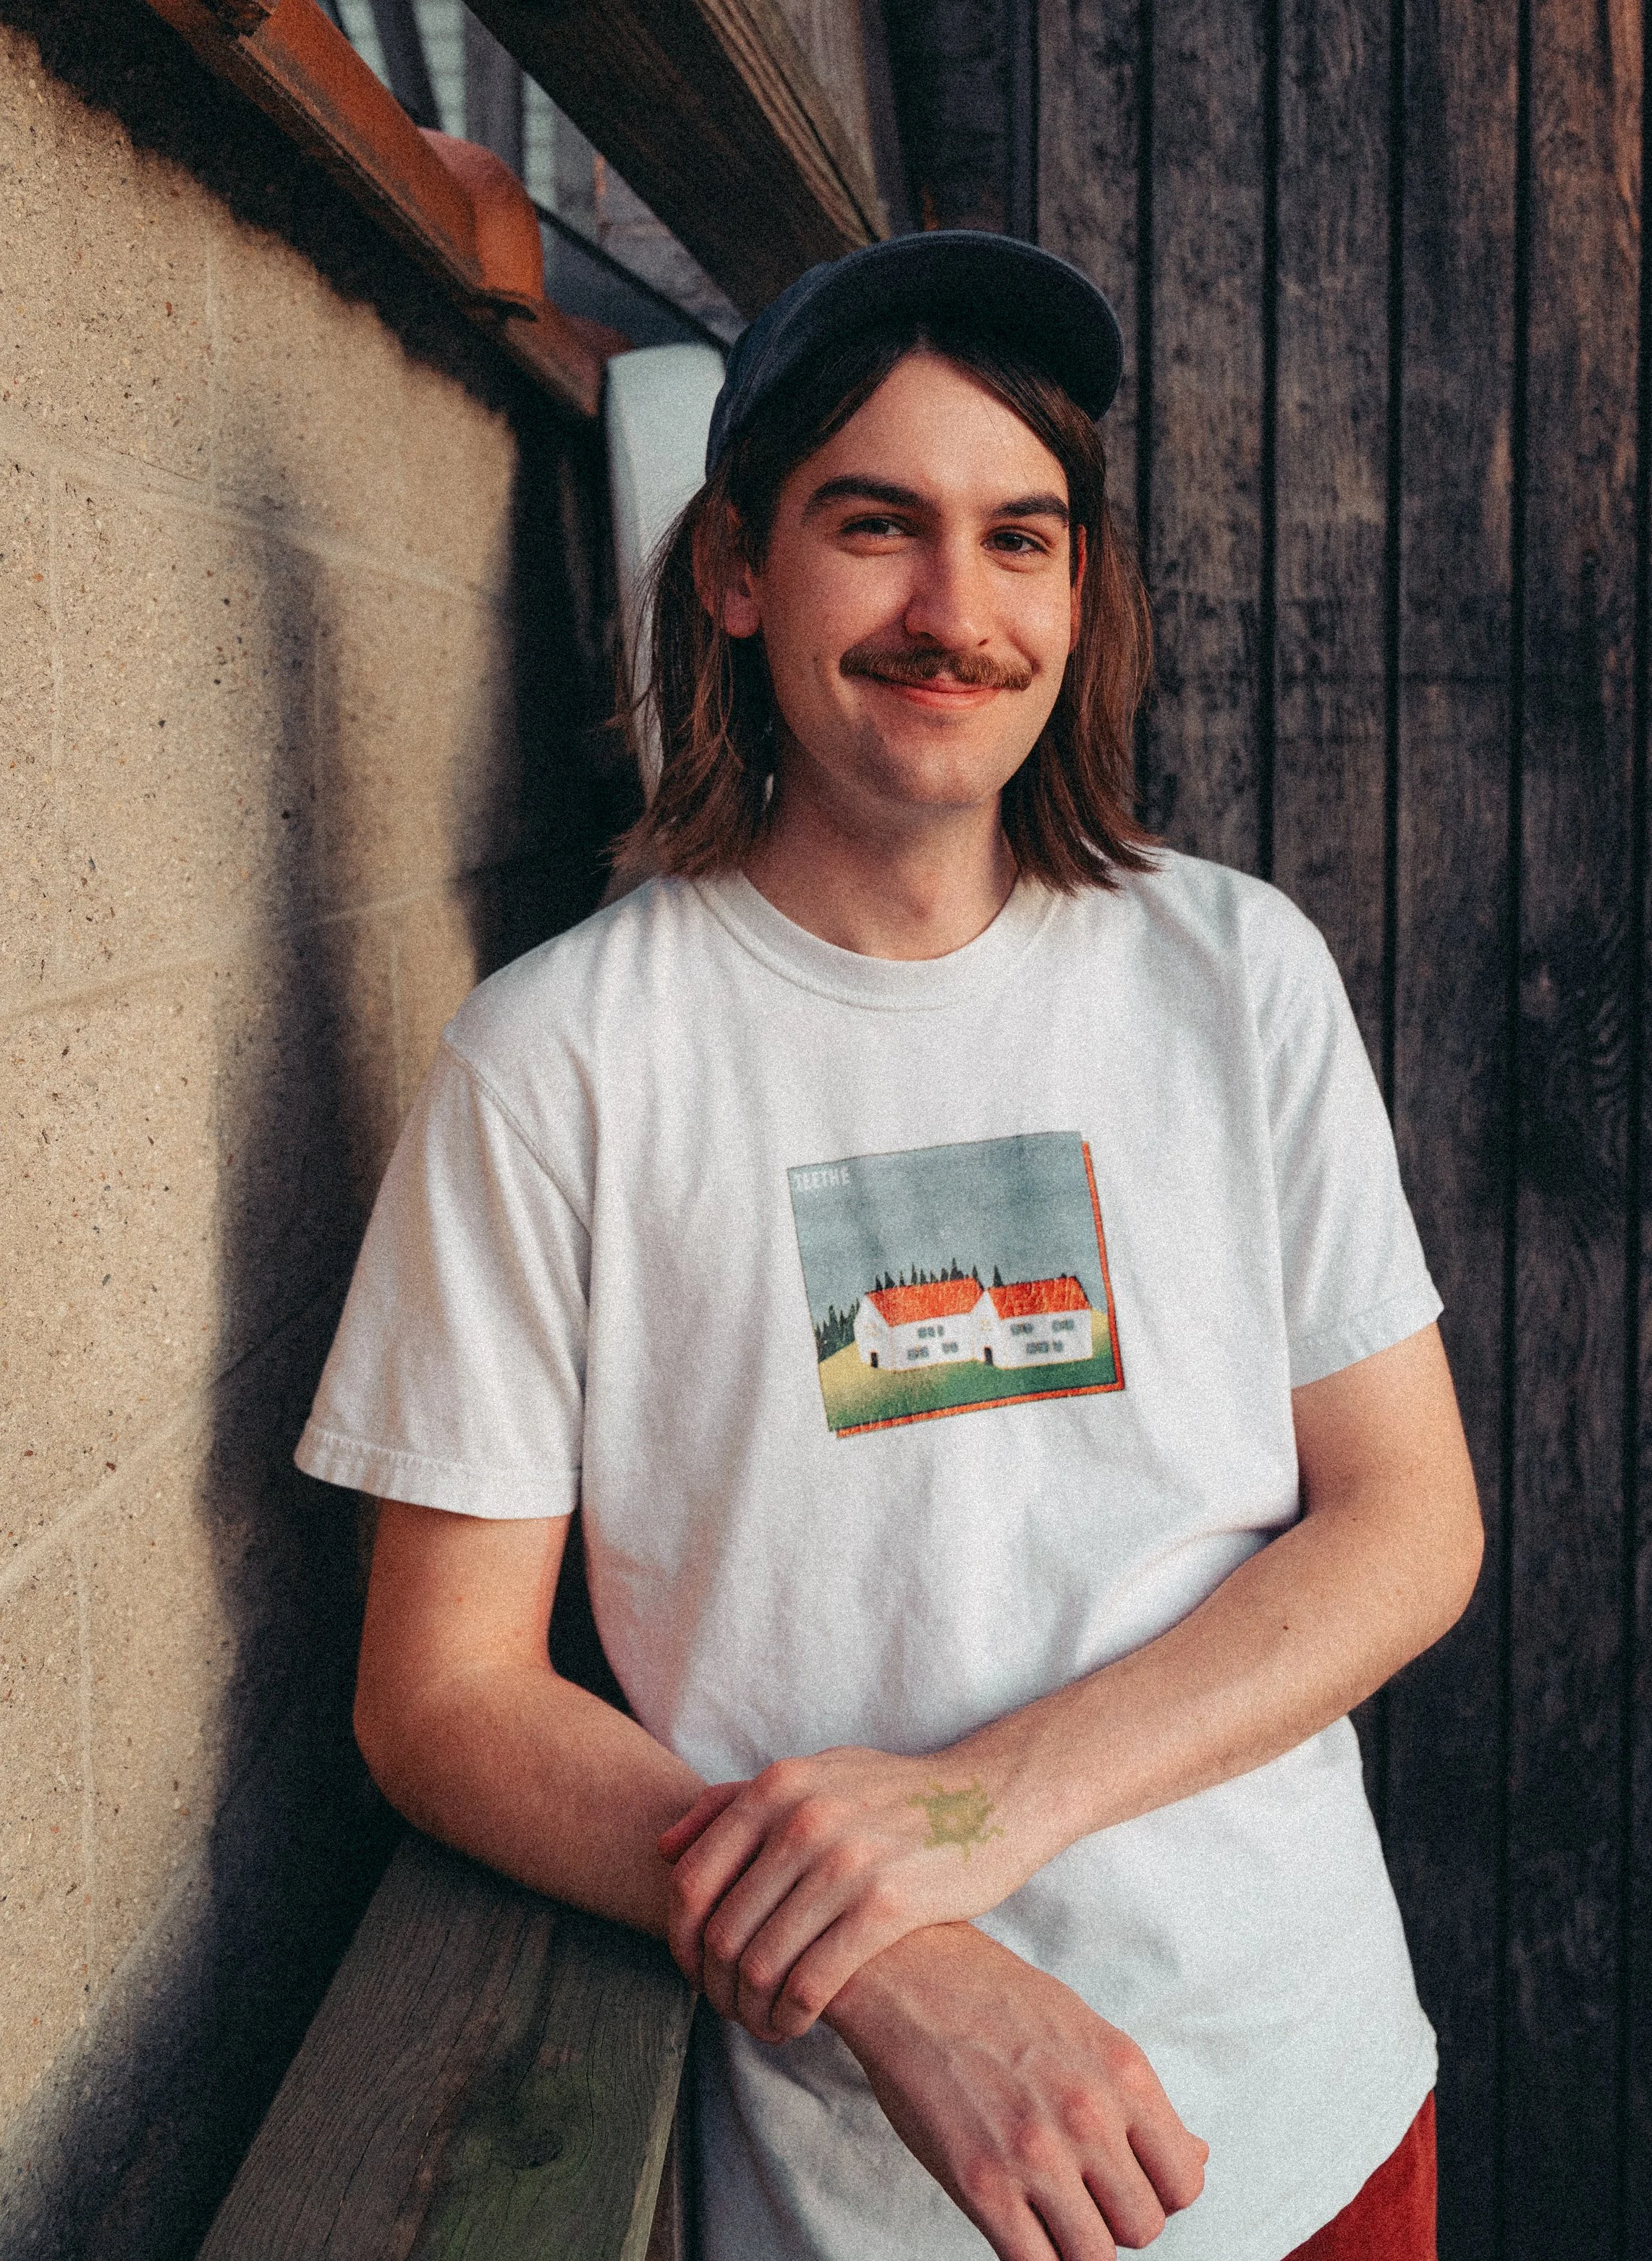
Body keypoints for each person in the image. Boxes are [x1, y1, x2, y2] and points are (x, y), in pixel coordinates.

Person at [297, 232, 1483, 2261]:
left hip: (1302, 2108)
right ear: (738, 572)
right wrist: (888, 1962)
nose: (956, 609)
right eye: (879, 527)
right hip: (866, 2179)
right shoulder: (560, 1060)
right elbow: (441, 1696)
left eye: (1020, 538)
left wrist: (976, 1807)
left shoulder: (1231, 970)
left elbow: (1406, 1526)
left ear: (1076, 593)